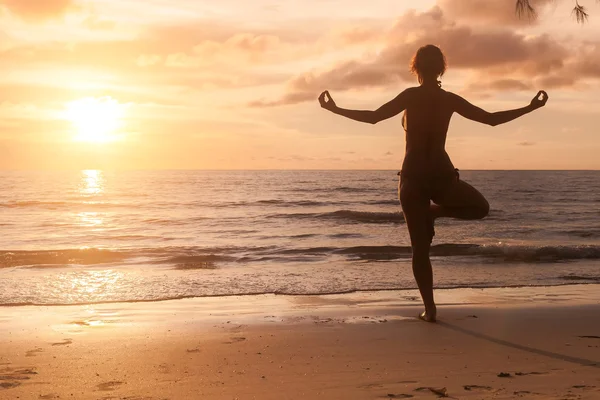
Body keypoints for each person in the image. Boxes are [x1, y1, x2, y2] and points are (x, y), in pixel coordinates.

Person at [318, 44, 548, 322]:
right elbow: (490, 120)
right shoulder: (448, 99)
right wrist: (530, 108)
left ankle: (430, 308)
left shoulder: (411, 96)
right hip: (440, 175)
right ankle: (435, 214)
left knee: (420, 249)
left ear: (415, 68)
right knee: (480, 208)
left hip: (413, 178)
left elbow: (373, 117)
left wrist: (335, 109)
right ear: (441, 68)